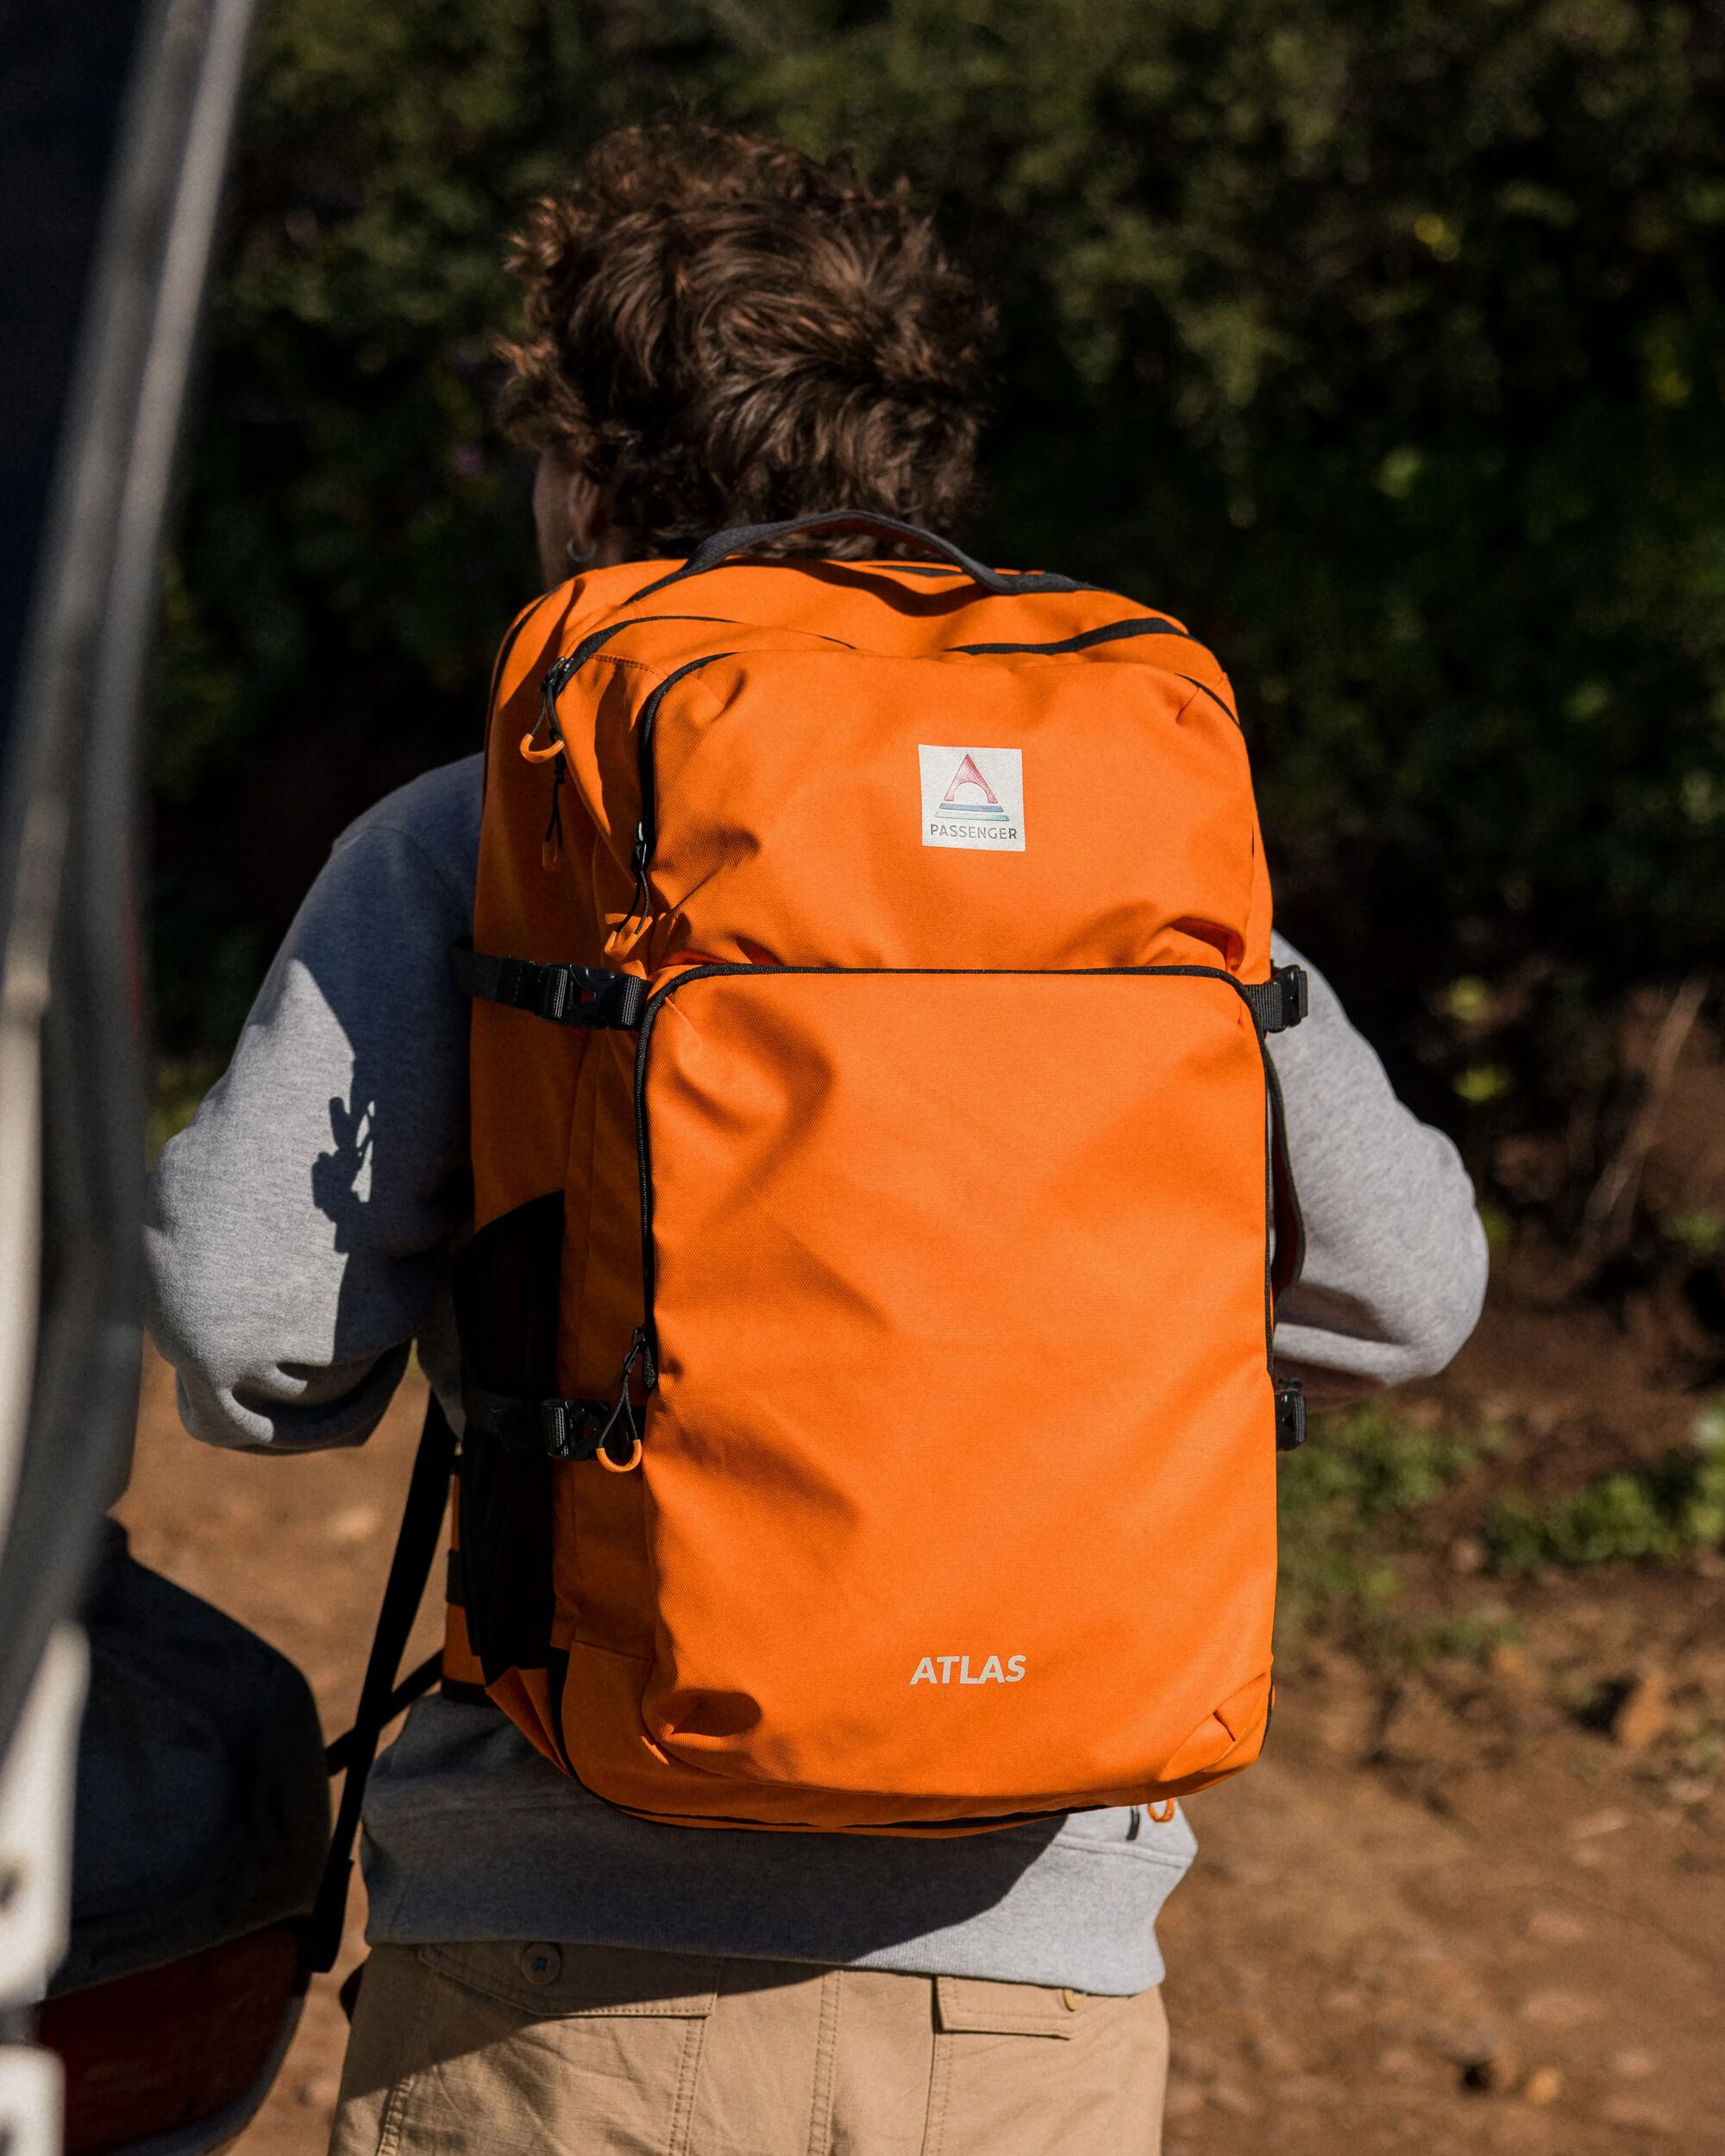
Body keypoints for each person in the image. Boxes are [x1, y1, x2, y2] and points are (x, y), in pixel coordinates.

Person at [145, 121, 1490, 2156]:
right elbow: (1413, 1292)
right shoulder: (1116, 835)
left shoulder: (480, 829)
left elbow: (254, 1341)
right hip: (1028, 1996)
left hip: (562, 1971)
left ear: (588, 474)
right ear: (915, 464)